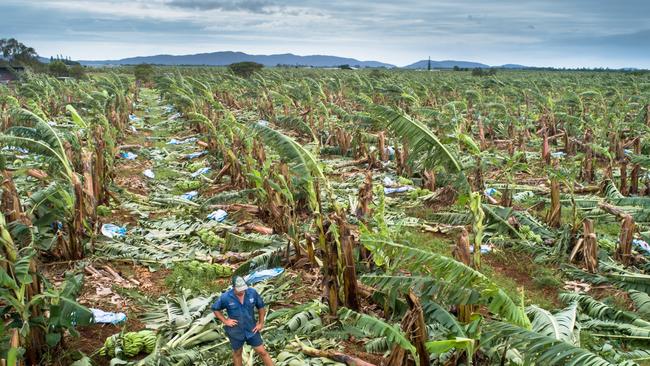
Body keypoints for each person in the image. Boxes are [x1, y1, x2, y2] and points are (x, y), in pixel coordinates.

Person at [212, 276, 274, 366]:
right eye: (239, 289)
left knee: (262, 352)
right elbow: (215, 308)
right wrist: (225, 321)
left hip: (251, 329)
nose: (242, 291)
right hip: (235, 331)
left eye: (243, 289)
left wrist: (261, 323)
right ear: (233, 287)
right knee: (237, 353)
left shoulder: (252, 293)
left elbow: (261, 307)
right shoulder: (226, 297)